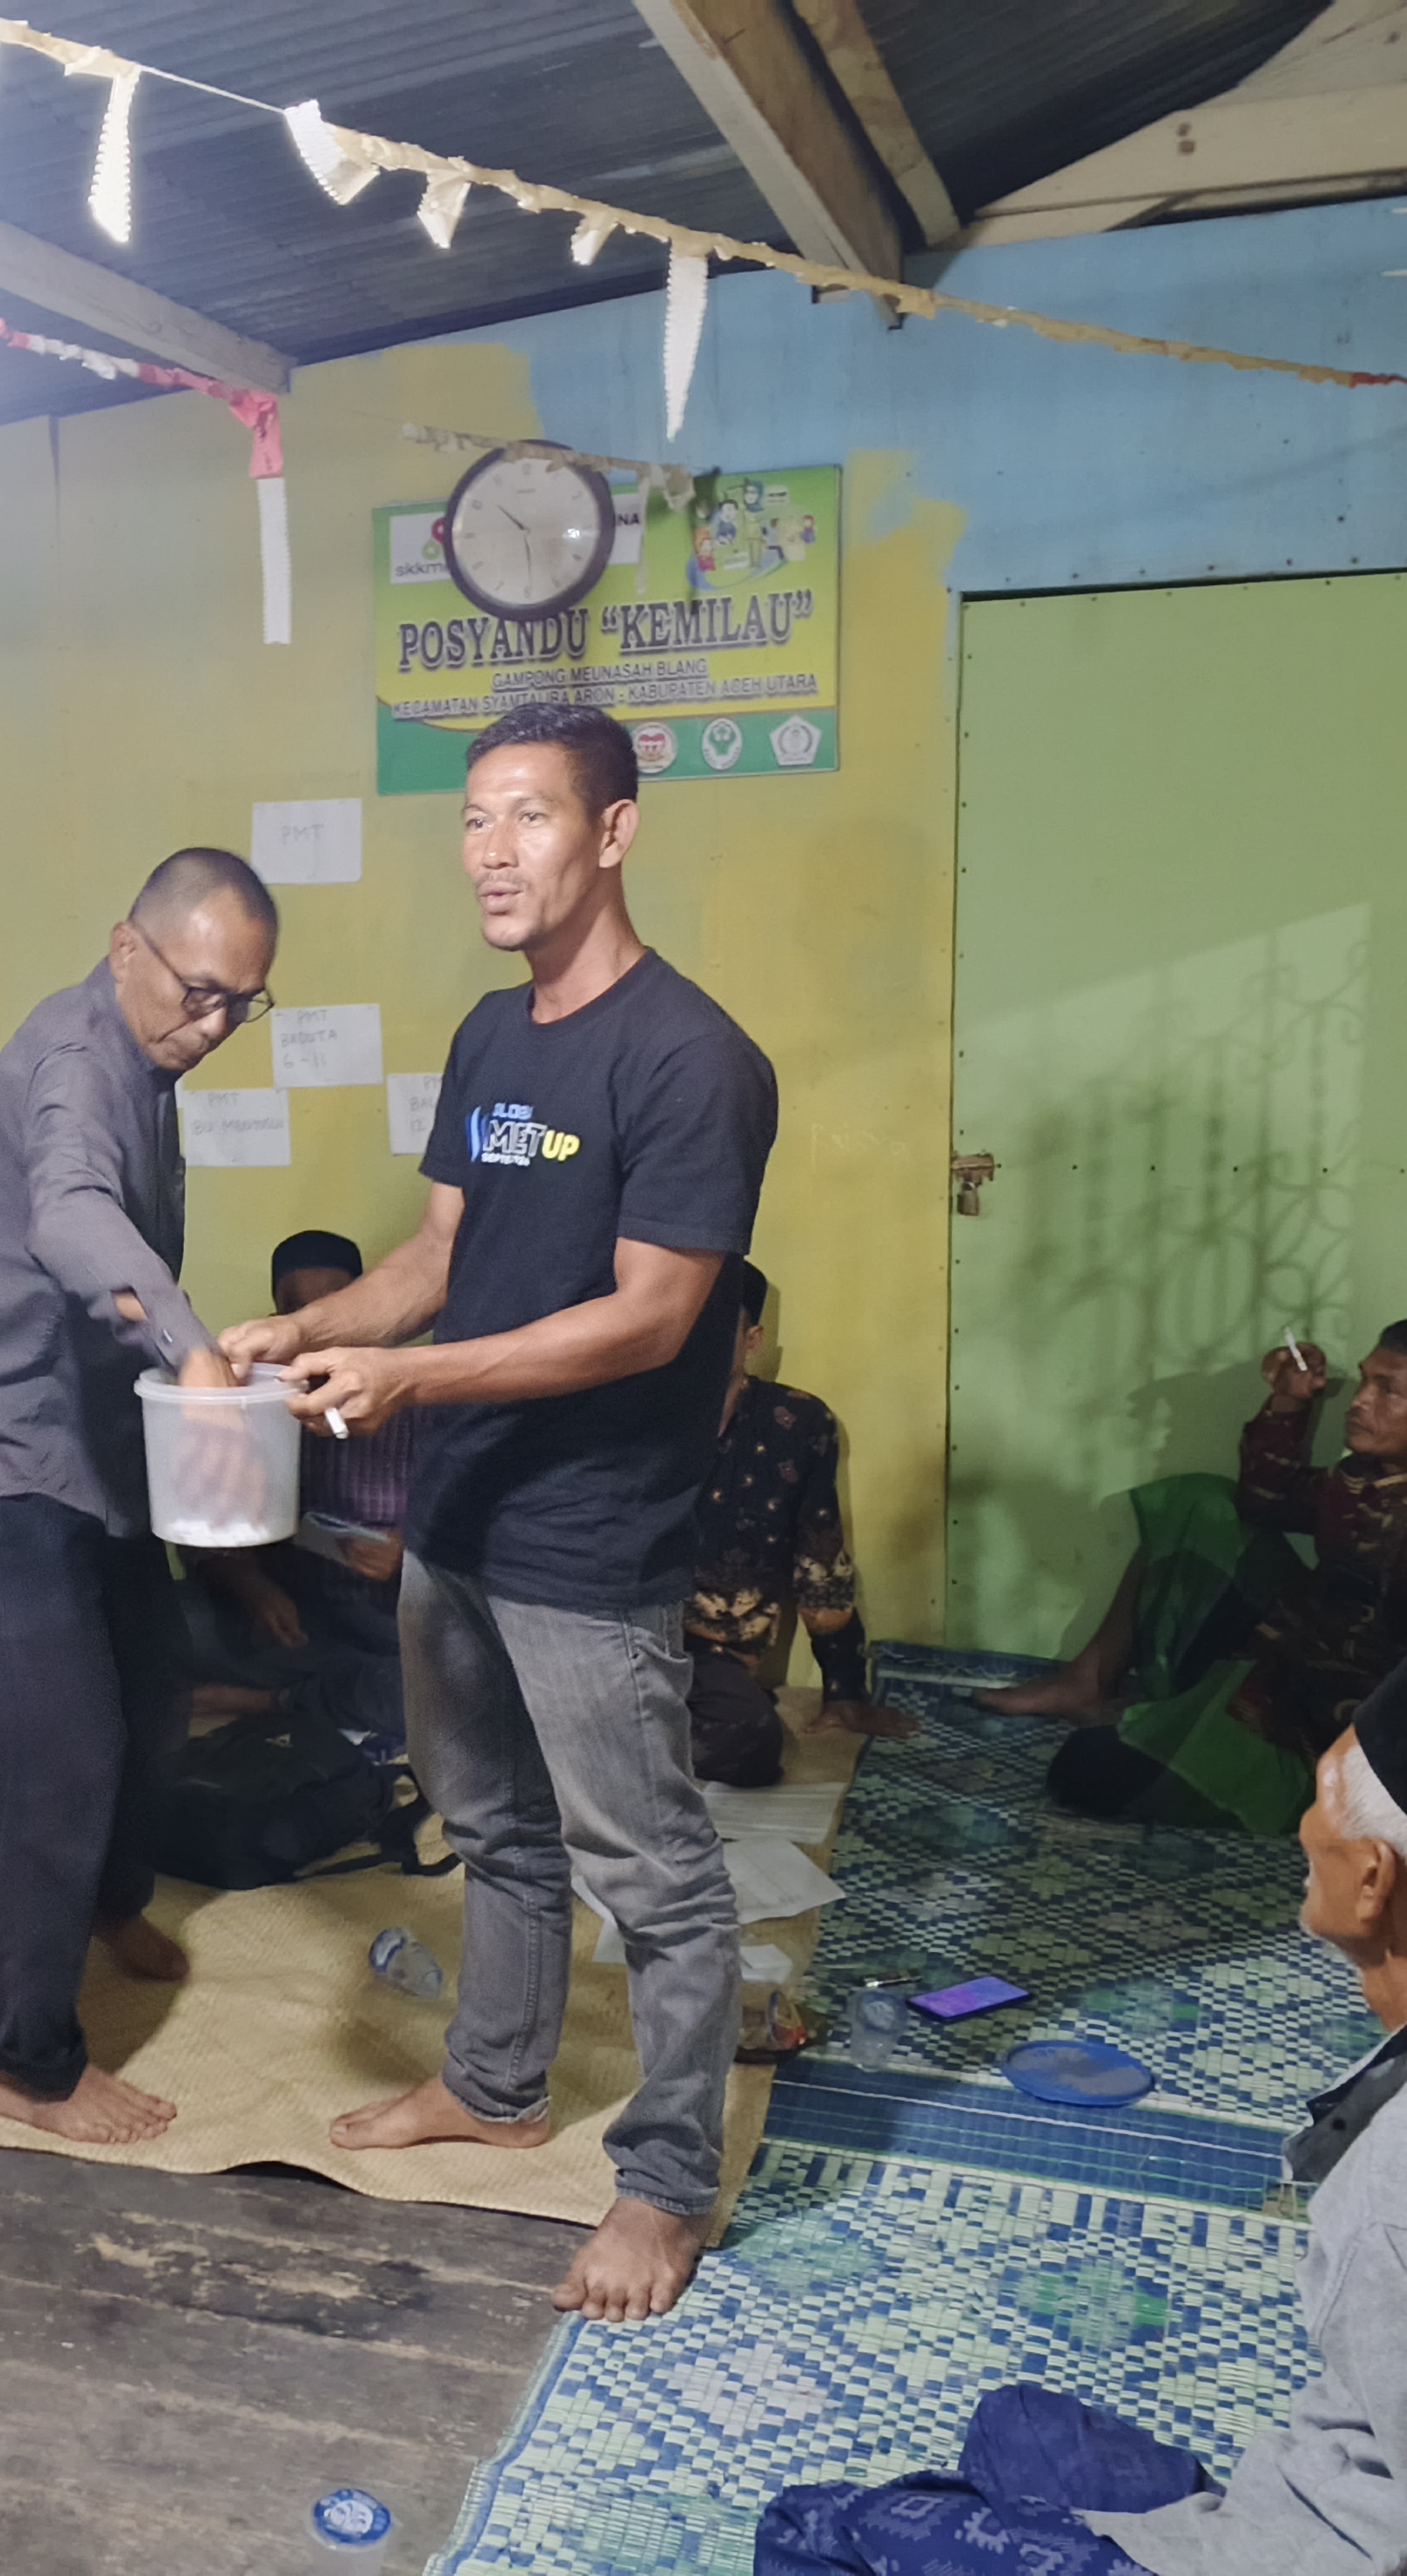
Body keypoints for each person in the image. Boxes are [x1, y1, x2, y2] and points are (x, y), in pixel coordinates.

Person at [225, 701, 776, 2322]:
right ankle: (494, 2082)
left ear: (612, 830)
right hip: (458, 1512)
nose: (489, 850)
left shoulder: (691, 1058)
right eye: (472, 818)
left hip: (589, 1536)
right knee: (490, 1828)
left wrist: (411, 1379)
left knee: (652, 1873)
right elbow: (438, 1253)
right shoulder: (488, 1035)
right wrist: (310, 1335)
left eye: (527, 815)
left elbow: (650, 1318)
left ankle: (663, 2184)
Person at [754, 1678, 1407, 2574]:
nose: (1303, 1825)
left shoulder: (1392, 2196)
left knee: (814, 2530)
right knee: (1016, 2424)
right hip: (1298, 2496)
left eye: (1320, 1801)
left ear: (1371, 1878)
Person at [0, 846, 279, 2146]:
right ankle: (26, 2060)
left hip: (102, 1452)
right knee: (48, 1750)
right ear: (127, 946)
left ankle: (107, 1900)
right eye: (198, 991)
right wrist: (193, 1348)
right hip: (12, 1453)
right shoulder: (77, 1062)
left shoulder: (148, 1056)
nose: (214, 1024)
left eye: (242, 1003)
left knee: (151, 1690)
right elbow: (71, 1217)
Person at [978, 1326, 1407, 1836]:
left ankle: (1224, 1739)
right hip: (1283, 1656)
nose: (1359, 1401)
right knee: (1197, 1504)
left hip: (1321, 1727)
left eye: (1388, 1390)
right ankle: (1087, 1681)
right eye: (1364, 1380)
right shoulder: (1365, 1476)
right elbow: (1265, 1502)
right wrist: (1288, 1402)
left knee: (1090, 1769)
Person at [684, 1259, 914, 1787]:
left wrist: (844, 1687)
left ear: (752, 1340)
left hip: (712, 1658)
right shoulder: (629, 1416)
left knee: (747, 1746)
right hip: (621, 1636)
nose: (695, 1339)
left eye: (716, 1324)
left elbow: (820, 1557)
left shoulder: (795, 1424)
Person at [183, 1228, 412, 1751]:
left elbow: (474, 1531)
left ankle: (276, 1701)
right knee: (166, 1624)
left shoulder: (415, 1403)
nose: (320, 1332)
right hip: (291, 1620)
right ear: (278, 1321)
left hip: (388, 1624)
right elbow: (201, 1537)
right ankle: (341, 1691)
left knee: (458, 1679)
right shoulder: (248, 1405)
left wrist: (412, 1553)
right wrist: (252, 1587)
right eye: (299, 1312)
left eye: (334, 1309)